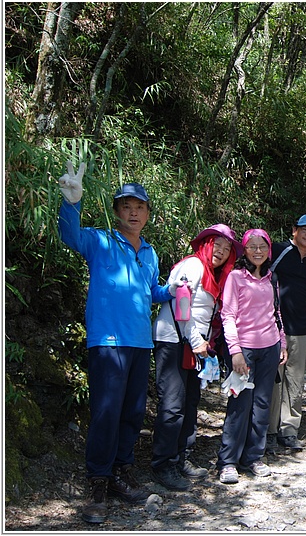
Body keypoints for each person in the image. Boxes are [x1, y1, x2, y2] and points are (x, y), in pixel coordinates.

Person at [57, 161, 180, 523]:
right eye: (126, 206)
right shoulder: (100, 240)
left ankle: (121, 474)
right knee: (106, 412)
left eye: (139, 207)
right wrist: (71, 203)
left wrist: (171, 292)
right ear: (116, 211)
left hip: (141, 343)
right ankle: (97, 482)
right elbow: (70, 236)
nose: (133, 212)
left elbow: (151, 291)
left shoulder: (150, 252)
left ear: (147, 213)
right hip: (108, 341)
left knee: (131, 413)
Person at [151, 224, 243, 490]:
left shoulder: (213, 274)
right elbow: (181, 305)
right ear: (206, 244)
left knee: (190, 402)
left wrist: (206, 342)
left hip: (194, 344)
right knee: (172, 404)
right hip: (174, 340)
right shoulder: (192, 266)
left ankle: (181, 457)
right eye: (218, 246)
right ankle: (163, 464)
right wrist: (196, 341)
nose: (222, 253)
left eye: (227, 250)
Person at [217, 229, 288, 484]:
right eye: (252, 246)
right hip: (243, 351)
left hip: (269, 349)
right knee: (239, 405)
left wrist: (282, 343)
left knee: (261, 405)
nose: (258, 251)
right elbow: (228, 315)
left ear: (269, 250)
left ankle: (254, 457)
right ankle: (228, 462)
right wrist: (235, 351)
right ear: (244, 250)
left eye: (263, 246)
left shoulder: (272, 278)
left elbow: (276, 312)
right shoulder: (236, 277)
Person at [267, 214, 306, 453]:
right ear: (294, 230)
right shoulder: (277, 251)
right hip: (272, 327)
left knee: (295, 380)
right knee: (272, 380)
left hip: (302, 329)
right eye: (305, 230)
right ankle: (268, 430)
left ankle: (288, 429)